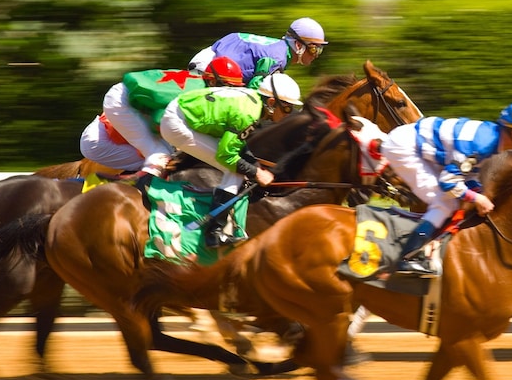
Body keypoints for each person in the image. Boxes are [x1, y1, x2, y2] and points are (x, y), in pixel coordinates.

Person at [379, 101, 512, 276]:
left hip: (416, 144)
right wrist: (477, 199)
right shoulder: (482, 145)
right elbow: (448, 182)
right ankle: (407, 258)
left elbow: (468, 176)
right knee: (445, 203)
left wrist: (479, 193)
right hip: (404, 147)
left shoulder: (491, 141)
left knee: (452, 200)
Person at [159, 72, 303, 246]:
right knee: (234, 172)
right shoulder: (248, 114)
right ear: (272, 103)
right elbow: (225, 155)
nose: (289, 114)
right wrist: (256, 172)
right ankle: (214, 232)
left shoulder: (255, 103)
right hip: (177, 123)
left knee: (242, 166)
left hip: (183, 114)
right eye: (287, 108)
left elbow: (237, 146)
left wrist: (255, 165)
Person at [79, 57, 245, 177]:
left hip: (121, 101)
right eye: (228, 87)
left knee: (171, 151)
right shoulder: (197, 96)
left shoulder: (200, 84)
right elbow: (160, 121)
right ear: (213, 82)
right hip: (100, 139)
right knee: (163, 156)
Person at [188, 18, 327, 89]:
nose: (316, 55)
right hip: (208, 69)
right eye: (314, 49)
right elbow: (255, 89)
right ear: (298, 45)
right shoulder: (278, 58)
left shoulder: (279, 49)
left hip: (209, 59)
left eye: (320, 49)